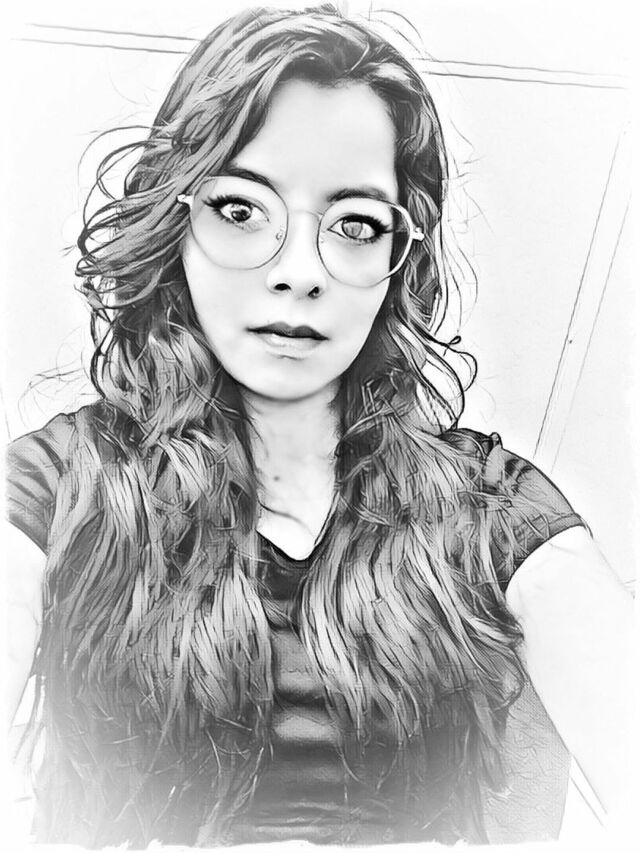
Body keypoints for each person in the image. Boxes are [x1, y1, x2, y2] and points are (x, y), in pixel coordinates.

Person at [4, 3, 635, 848]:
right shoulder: (57, 480)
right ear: (176, 224)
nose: (299, 271)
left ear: (396, 259)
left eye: (356, 224)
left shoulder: (491, 504)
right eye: (240, 209)